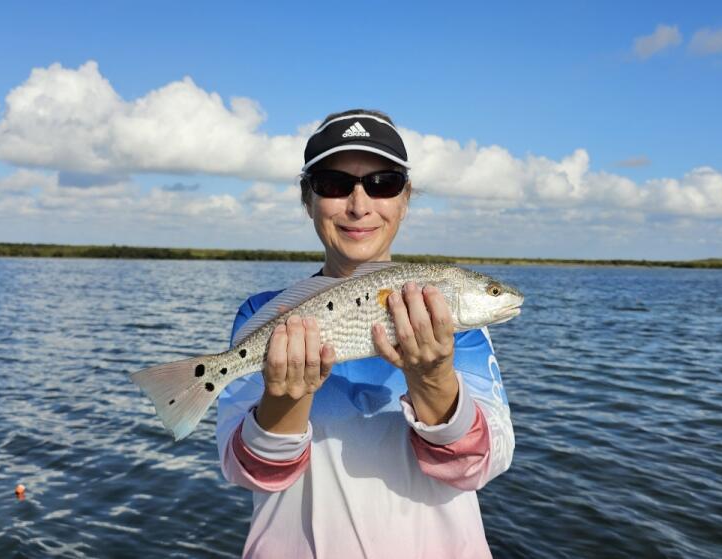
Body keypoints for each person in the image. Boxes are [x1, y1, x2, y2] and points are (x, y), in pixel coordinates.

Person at [215, 109, 515, 558]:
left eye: (383, 183)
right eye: (335, 184)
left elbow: (479, 466)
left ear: (406, 198)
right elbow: (249, 472)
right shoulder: (263, 314)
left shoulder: (456, 330)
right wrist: (285, 398)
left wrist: (433, 379)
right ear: (307, 198)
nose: (359, 205)